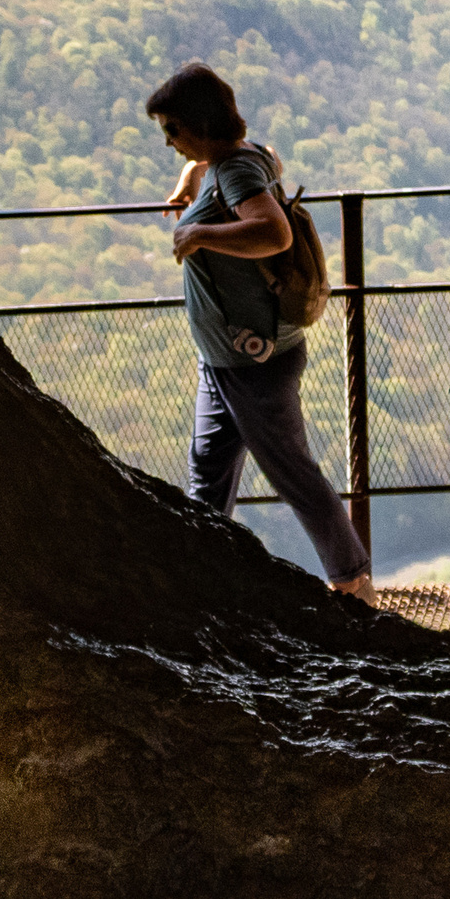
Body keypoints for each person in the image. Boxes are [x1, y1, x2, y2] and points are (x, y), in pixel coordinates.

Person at [148, 64, 375, 603]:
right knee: (209, 473)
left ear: (200, 126)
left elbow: (272, 232)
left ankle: (352, 584)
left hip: (253, 362)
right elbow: (268, 156)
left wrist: (198, 231)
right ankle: (205, 579)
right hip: (229, 358)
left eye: (173, 131)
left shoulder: (235, 171)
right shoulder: (243, 157)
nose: (169, 142)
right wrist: (194, 177)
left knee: (291, 472)